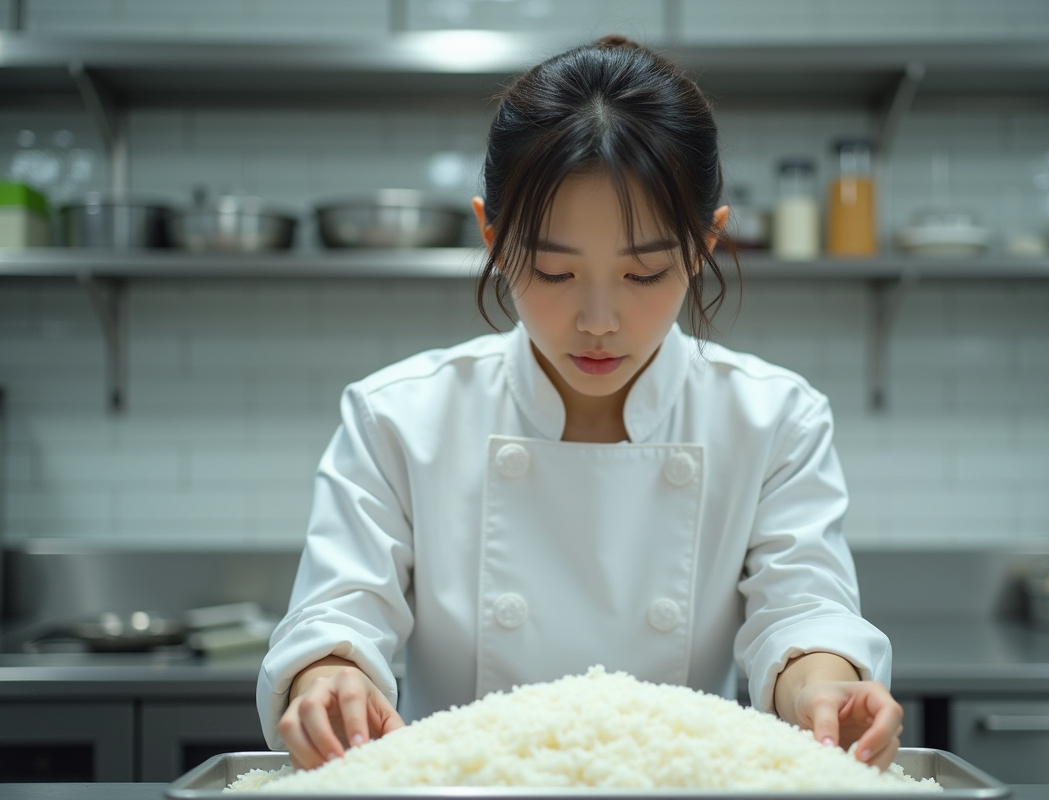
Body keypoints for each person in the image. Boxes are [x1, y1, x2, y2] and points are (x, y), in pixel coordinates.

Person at [258, 35, 902, 775]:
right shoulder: (398, 419)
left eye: (645, 272)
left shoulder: (773, 420)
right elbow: (338, 615)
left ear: (704, 244)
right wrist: (328, 677)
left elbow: (801, 612)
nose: (598, 319)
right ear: (493, 240)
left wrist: (827, 689)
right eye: (555, 272)